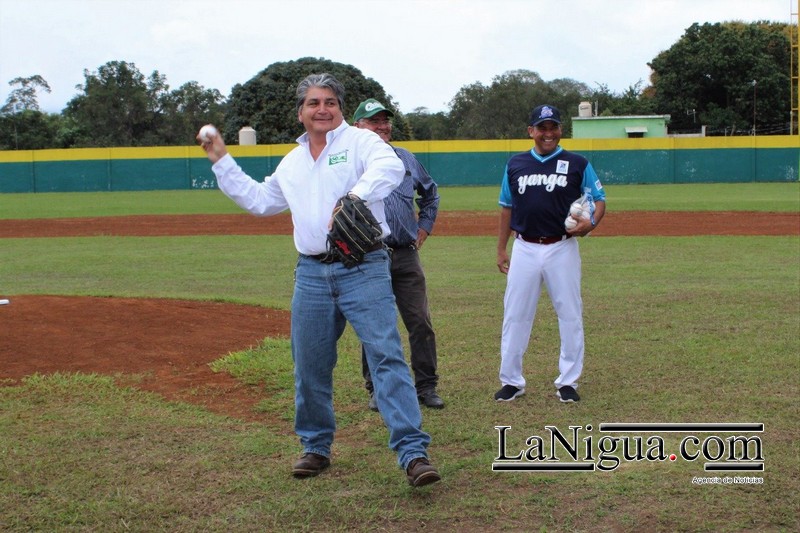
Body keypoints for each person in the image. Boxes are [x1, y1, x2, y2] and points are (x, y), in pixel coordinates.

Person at [198, 73, 440, 488]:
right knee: (309, 364)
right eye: (313, 103)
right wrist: (221, 159)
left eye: (329, 101)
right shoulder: (292, 163)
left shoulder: (362, 143)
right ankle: (315, 446)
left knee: (385, 356)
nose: (322, 109)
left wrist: (354, 197)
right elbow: (259, 201)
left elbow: (389, 166)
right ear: (301, 112)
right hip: (311, 272)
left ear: (340, 108)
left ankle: (412, 452)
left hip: (363, 266)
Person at [495, 104, 606, 404]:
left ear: (560, 130)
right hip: (525, 248)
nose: (548, 133)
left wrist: (590, 223)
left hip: (562, 246)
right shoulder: (515, 164)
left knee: (569, 313)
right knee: (515, 314)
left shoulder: (577, 163)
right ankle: (511, 381)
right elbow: (507, 207)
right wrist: (501, 249)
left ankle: (568, 381)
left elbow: (599, 200)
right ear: (530, 131)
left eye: (553, 127)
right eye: (541, 127)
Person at [351, 98, 444, 411]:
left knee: (420, 322)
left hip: (405, 254)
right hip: (368, 256)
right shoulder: (350, 164)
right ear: (357, 127)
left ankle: (426, 387)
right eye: (373, 121)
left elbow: (430, 194)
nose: (382, 126)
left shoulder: (405, 158)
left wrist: (425, 227)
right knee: (374, 326)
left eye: (384, 120)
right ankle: (377, 389)